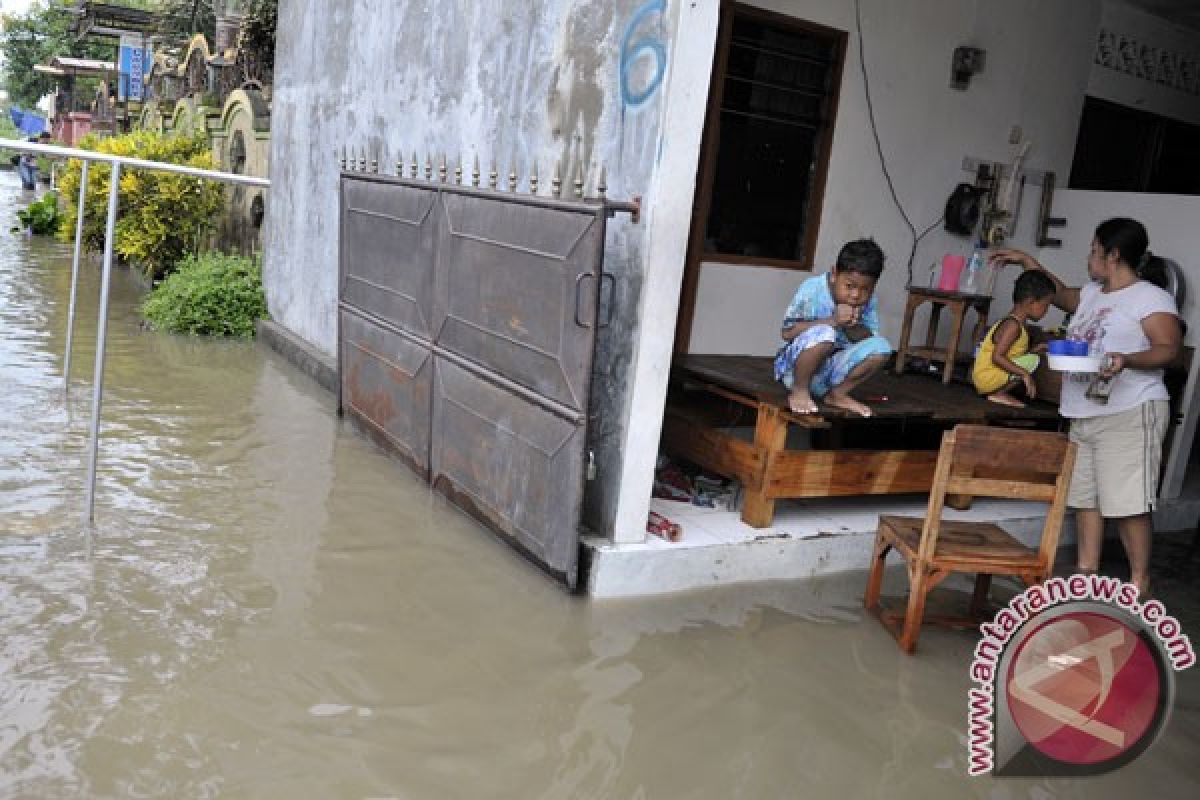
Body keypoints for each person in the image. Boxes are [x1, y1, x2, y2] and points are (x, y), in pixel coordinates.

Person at [991, 218, 1181, 598]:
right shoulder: (1094, 293)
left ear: (1113, 255)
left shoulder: (1150, 298)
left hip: (1129, 410)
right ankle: (1086, 573)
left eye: (1094, 250)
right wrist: (1029, 261)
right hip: (1084, 412)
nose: (1088, 258)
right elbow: (1059, 293)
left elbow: (1169, 350)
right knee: (1086, 499)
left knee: (1127, 503)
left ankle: (1138, 582)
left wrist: (1125, 360)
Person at [773, 238, 893, 417]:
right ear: (834, 273)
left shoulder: (868, 302)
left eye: (865, 289)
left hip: (829, 376)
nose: (855, 295)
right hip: (796, 372)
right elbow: (787, 332)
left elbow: (868, 338)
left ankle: (837, 395)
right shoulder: (812, 289)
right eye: (849, 286)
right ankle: (799, 391)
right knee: (825, 333)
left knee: (882, 347)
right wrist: (833, 321)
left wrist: (854, 325)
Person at [971, 270, 1057, 407]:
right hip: (987, 377)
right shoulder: (1013, 325)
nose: (1046, 311)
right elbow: (997, 357)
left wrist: (1034, 350)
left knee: (1032, 357)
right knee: (1033, 361)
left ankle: (997, 392)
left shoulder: (1015, 323)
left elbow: (1013, 354)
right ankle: (997, 394)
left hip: (987, 377)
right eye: (1045, 306)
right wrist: (1025, 374)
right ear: (1031, 302)